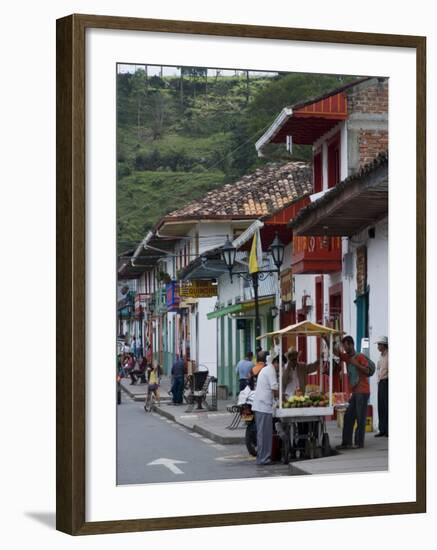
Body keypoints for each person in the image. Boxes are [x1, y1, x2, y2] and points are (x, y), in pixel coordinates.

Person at [335, 335, 371, 450]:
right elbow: (337, 353)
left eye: (345, 346)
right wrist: (326, 339)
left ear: (351, 344)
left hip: (363, 391)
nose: (344, 349)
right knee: (348, 416)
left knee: (360, 418)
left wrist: (356, 364)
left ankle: (359, 443)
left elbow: (367, 371)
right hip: (355, 392)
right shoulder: (347, 357)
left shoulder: (360, 357)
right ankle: (346, 442)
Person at [252, 353, 279, 465]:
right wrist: (281, 398)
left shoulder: (266, 369)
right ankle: (264, 459)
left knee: (263, 434)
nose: (280, 368)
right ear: (276, 363)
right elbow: (274, 388)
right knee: (265, 434)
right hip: (263, 407)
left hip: (261, 406)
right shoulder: (271, 370)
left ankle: (262, 458)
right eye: (280, 365)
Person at [375, 336, 389, 437]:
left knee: (387, 406)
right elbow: (379, 368)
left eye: (379, 344)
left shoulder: (389, 355)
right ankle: (382, 429)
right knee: (381, 406)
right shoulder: (381, 356)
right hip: (381, 382)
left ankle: (388, 430)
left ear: (384, 345)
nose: (378, 346)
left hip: (386, 382)